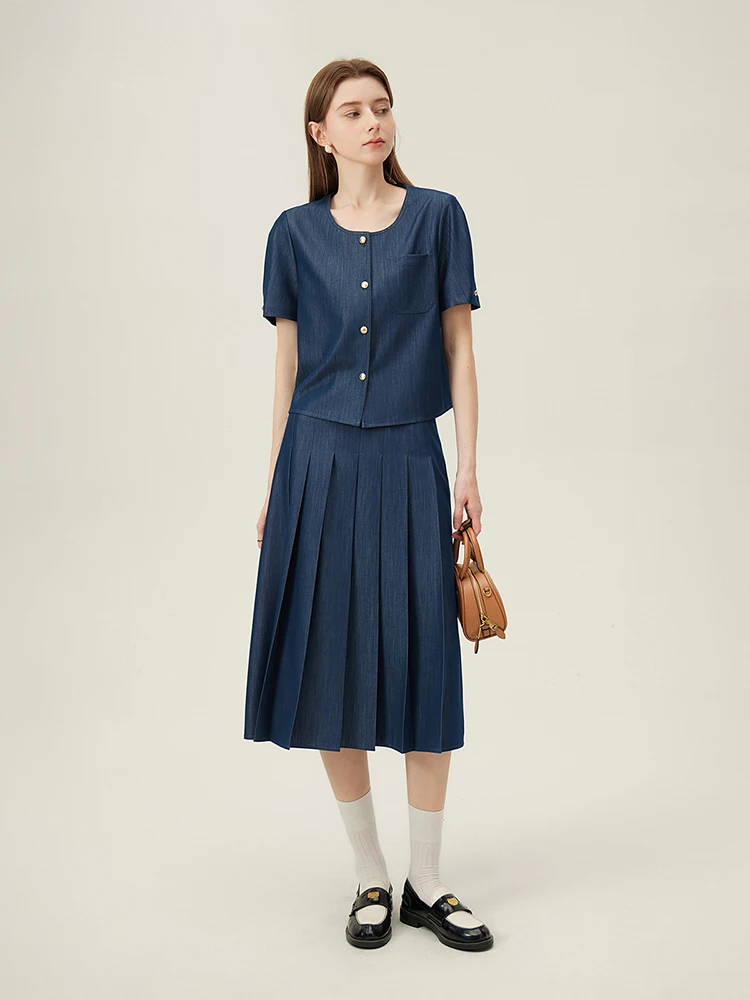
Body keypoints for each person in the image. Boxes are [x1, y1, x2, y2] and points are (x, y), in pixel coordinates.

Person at [243, 58, 493, 952]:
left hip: (408, 459)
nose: (373, 121)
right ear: (321, 134)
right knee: (326, 667)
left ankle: (428, 880)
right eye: (352, 111)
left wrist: (468, 467)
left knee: (426, 661)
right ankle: (370, 876)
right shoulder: (292, 233)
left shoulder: (438, 216)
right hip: (315, 462)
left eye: (381, 107)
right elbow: (287, 363)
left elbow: (459, 349)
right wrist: (274, 481)